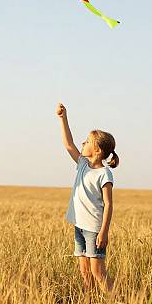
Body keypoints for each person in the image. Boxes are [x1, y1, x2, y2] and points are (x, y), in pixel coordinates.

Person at [56, 102, 118, 292]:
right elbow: (68, 144)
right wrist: (63, 118)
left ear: (98, 150)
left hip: (94, 229)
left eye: (87, 142)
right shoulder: (82, 164)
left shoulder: (104, 174)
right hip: (80, 226)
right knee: (84, 271)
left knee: (97, 271)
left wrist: (104, 232)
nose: (82, 143)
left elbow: (108, 205)